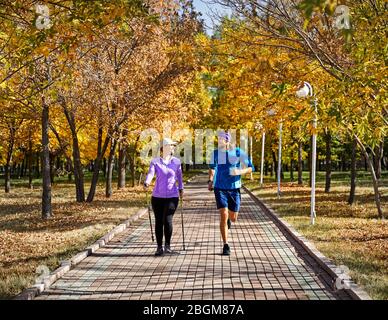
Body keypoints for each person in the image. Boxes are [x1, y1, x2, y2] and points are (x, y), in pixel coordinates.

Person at [208, 131, 254, 256]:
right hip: (220, 187)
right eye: (218, 139)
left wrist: (239, 172)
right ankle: (225, 245)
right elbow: (212, 168)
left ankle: (229, 220)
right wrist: (210, 180)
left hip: (234, 188)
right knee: (223, 214)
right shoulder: (215, 153)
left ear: (227, 141)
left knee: (233, 218)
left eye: (221, 139)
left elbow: (251, 167)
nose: (219, 141)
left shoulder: (238, 152)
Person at [144, 138, 184, 256]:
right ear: (164, 148)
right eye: (170, 146)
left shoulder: (176, 162)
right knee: (159, 221)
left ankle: (167, 245)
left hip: (172, 196)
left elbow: (180, 178)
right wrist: (147, 182)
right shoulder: (155, 162)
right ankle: (159, 247)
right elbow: (151, 173)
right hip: (157, 196)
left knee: (168, 220)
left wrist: (181, 188)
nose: (172, 148)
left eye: (173, 146)